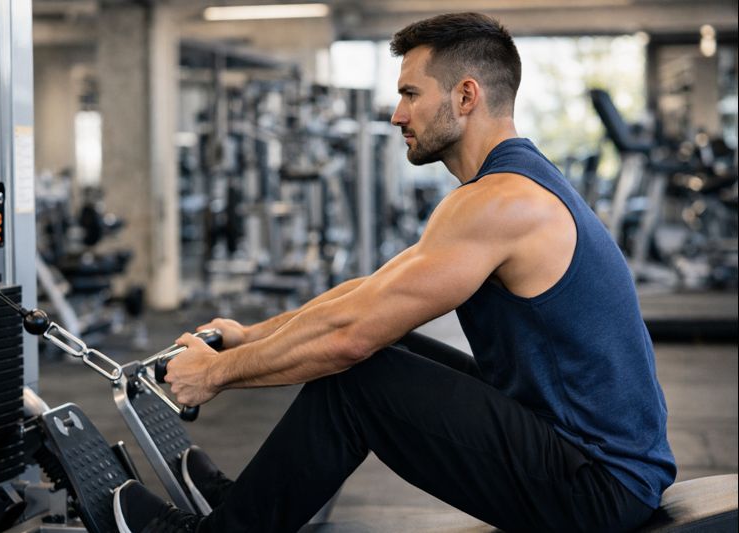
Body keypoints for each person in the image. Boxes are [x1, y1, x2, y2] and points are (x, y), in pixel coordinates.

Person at [114, 12, 676, 533]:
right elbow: (370, 297)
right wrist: (253, 335)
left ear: (465, 96)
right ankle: (251, 502)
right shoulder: (509, 183)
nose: (397, 114)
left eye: (410, 94)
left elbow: (348, 336)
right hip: (588, 459)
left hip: (599, 489)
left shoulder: (503, 201)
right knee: (391, 341)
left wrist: (218, 373)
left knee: (357, 375)